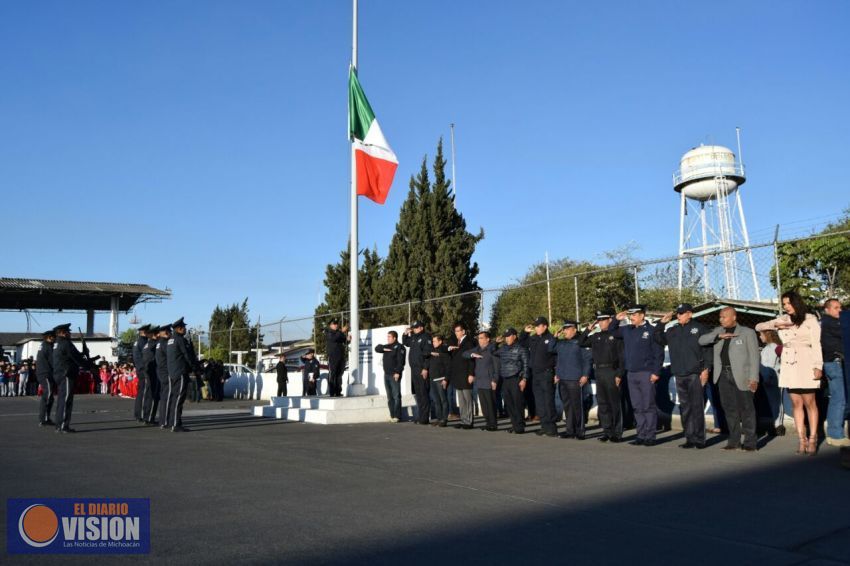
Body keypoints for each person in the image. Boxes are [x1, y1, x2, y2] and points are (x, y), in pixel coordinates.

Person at [755, 291, 823, 454]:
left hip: (807, 361)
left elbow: (817, 344)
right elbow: (758, 326)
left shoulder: (810, 319)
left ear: (796, 303)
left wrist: (818, 366)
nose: (786, 307)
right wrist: (778, 325)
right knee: (796, 404)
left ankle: (813, 438)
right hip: (789, 363)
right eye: (784, 304)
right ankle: (802, 440)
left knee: (810, 402)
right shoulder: (783, 319)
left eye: (788, 303)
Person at [702, 307, 760, 452]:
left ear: (734, 317)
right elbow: (702, 340)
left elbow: (754, 357)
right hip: (723, 375)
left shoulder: (747, 332)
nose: (721, 319)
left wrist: (754, 378)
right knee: (729, 409)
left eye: (724, 317)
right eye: (720, 317)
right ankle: (734, 441)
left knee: (747, 409)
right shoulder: (718, 331)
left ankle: (750, 442)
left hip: (742, 376)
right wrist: (718, 337)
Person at [654, 303, 712, 449]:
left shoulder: (699, 328)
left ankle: (699, 440)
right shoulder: (673, 330)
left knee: (697, 407)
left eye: (682, 313)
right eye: (678, 313)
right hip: (679, 373)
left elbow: (707, 350)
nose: (679, 316)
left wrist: (706, 369)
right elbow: (659, 339)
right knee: (685, 408)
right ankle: (690, 438)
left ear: (689, 314)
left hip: (694, 373)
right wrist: (661, 324)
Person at [609, 306, 665, 446]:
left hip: (646, 373)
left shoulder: (651, 331)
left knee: (648, 406)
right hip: (631, 373)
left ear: (642, 316)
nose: (631, 317)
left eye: (634, 315)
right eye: (630, 315)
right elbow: (611, 331)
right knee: (637, 406)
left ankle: (650, 436)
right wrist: (616, 319)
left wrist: (656, 372)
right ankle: (641, 435)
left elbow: (659, 353)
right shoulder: (627, 330)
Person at [580, 309, 625, 442]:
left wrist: (619, 374)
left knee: (614, 404)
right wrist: (588, 329)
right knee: (603, 404)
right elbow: (581, 342)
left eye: (603, 320)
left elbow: (622, 357)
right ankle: (607, 431)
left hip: (612, 371)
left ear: (609, 320)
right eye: (599, 320)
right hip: (599, 372)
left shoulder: (616, 335)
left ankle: (617, 433)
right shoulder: (596, 336)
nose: (600, 323)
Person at [549, 320, 592, 439]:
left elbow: (587, 360)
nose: (565, 331)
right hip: (563, 378)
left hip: (575, 378)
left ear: (574, 329)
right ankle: (570, 430)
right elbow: (550, 349)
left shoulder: (580, 342)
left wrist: (585, 375)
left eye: (567, 329)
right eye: (564, 329)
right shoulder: (561, 343)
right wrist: (554, 337)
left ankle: (580, 431)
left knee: (577, 406)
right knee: (567, 406)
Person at [519, 317, 558, 437]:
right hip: (535, 374)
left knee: (548, 401)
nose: (535, 328)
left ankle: (551, 428)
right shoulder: (533, 338)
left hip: (546, 373)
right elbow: (521, 343)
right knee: (540, 402)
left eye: (538, 326)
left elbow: (556, 357)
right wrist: (524, 332)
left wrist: (556, 372)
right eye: (535, 326)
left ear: (545, 326)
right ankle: (544, 426)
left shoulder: (551, 338)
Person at [819, 298, 849, 447]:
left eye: (840, 307)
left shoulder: (829, 323)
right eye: (836, 307)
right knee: (839, 398)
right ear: (827, 310)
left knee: (839, 398)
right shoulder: (831, 323)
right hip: (835, 363)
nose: (840, 310)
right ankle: (835, 433)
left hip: (835, 363)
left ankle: (835, 431)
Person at [493, 328, 530, 434]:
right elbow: (492, 351)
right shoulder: (503, 348)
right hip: (505, 379)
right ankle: (515, 425)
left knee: (517, 403)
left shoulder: (521, 348)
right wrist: (495, 343)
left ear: (514, 336)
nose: (507, 338)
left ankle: (519, 426)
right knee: (509, 404)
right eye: (506, 336)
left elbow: (526, 365)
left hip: (516, 379)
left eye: (509, 336)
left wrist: (524, 379)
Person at [166, 317, 199, 432]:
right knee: (179, 399)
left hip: (172, 372)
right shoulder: (180, 340)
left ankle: (171, 422)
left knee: (174, 398)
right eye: (184, 327)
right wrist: (194, 368)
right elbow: (187, 355)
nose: (185, 329)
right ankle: (176, 424)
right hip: (180, 372)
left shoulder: (170, 340)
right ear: (179, 329)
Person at [52, 323, 85, 433]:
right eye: (68, 332)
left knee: (62, 400)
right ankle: (63, 426)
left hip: (60, 373)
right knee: (66, 400)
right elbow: (75, 356)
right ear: (62, 333)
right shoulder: (66, 343)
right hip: (66, 374)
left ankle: (59, 424)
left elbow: (70, 355)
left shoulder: (57, 343)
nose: (69, 334)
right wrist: (88, 365)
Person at [464, 330, 499, 431]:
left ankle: (493, 424)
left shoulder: (492, 349)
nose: (479, 340)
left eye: (481, 338)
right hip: (479, 381)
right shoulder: (477, 349)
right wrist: (472, 355)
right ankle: (488, 423)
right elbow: (465, 354)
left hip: (489, 380)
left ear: (487, 339)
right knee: (484, 405)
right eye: (478, 338)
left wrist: (495, 380)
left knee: (490, 404)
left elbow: (497, 366)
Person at [403, 321, 432, 425]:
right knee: (418, 394)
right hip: (414, 369)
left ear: (421, 327)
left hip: (421, 369)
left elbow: (428, 354)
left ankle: (425, 418)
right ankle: (421, 416)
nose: (414, 329)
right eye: (413, 328)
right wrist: (405, 334)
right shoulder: (414, 337)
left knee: (424, 394)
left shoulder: (426, 337)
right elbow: (406, 343)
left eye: (415, 328)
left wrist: (425, 368)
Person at [448, 323, 476, 429]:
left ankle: (469, 421)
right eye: (455, 331)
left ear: (463, 331)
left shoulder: (468, 342)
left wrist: (471, 374)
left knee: (467, 399)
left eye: (458, 331)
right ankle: (463, 420)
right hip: (458, 375)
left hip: (466, 374)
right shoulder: (457, 343)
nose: (456, 333)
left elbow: (471, 360)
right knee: (461, 400)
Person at [758, 328, 785, 437]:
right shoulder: (766, 348)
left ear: (767, 335)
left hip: (774, 377)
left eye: (761, 335)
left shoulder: (774, 347)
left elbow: (771, 365)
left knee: (776, 401)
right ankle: (774, 424)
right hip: (766, 377)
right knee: (771, 401)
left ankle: (778, 425)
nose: (760, 337)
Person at [374, 331, 406, 422]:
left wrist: (397, 372)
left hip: (394, 374)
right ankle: (392, 415)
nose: (387, 338)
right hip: (386, 374)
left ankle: (397, 416)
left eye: (389, 337)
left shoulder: (399, 347)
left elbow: (401, 362)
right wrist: (383, 349)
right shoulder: (387, 346)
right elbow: (377, 348)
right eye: (387, 336)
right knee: (389, 397)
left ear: (394, 338)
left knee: (396, 396)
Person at [427, 335, 451, 427]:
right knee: (436, 400)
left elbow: (449, 366)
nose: (433, 343)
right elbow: (425, 353)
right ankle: (439, 418)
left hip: (441, 379)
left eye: (435, 341)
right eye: (432, 341)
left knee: (443, 400)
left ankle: (444, 419)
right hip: (432, 379)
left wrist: (446, 379)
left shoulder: (444, 351)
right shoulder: (432, 351)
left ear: (440, 341)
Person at [324, 320, 350, 397]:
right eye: (334, 324)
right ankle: (332, 392)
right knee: (333, 373)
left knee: (340, 374)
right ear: (330, 325)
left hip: (341, 356)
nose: (336, 325)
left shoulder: (338, 333)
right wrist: (341, 331)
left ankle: (338, 391)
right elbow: (334, 338)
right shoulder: (328, 332)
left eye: (336, 324)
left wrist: (348, 340)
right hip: (333, 356)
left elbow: (344, 341)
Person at [36, 330, 56, 427]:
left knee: (50, 397)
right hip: (45, 374)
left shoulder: (43, 345)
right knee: (47, 395)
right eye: (53, 337)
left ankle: (46, 418)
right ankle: (42, 419)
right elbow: (53, 361)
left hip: (44, 373)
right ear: (49, 337)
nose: (55, 339)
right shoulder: (48, 347)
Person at [141, 326, 160, 424]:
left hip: (147, 372)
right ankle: (150, 418)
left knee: (147, 395)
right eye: (158, 333)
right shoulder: (155, 344)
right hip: (153, 372)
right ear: (154, 335)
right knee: (154, 396)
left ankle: (146, 416)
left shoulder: (147, 344)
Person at [132, 324, 150, 422]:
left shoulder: (137, 342)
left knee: (141, 392)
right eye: (148, 331)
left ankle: (138, 414)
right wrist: (144, 369)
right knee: (144, 393)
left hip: (140, 369)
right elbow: (143, 357)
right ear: (143, 332)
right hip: (144, 370)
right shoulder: (143, 342)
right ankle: (142, 415)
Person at [155, 325, 173, 428]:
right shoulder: (164, 343)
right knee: (168, 397)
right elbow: (170, 357)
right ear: (166, 333)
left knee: (164, 397)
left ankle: (163, 420)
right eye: (170, 332)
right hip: (166, 372)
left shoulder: (158, 343)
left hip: (161, 372)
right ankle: (165, 421)